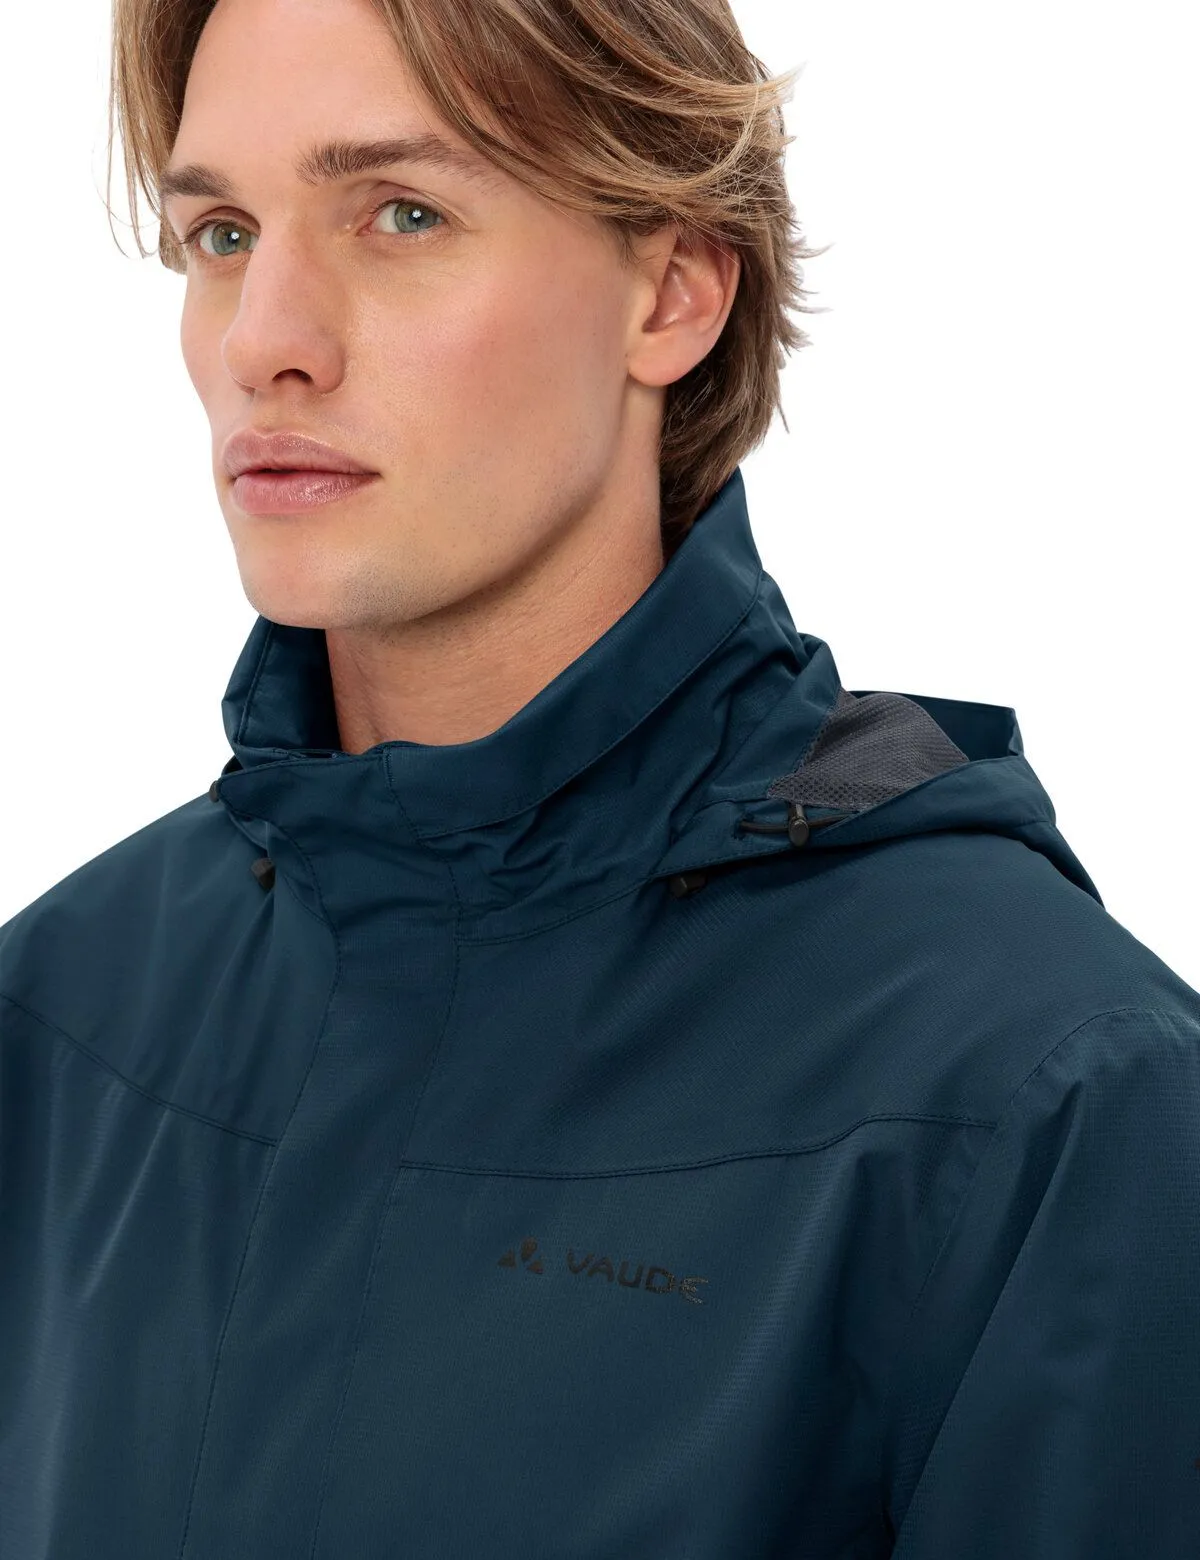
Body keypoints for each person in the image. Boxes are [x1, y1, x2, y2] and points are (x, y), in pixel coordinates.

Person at [2, 0, 1198, 1555]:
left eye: (402, 214)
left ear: (674, 291)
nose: (262, 340)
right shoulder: (62, 1010)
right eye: (222, 233)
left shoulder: (1040, 1096)